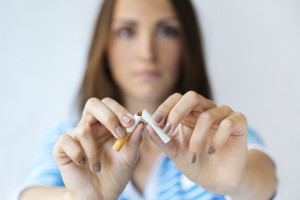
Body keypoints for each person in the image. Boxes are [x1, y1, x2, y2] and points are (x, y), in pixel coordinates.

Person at [17, 0, 277, 199]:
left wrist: (238, 183)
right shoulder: (70, 141)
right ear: (104, 44)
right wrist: (77, 197)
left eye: (166, 31)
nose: (147, 52)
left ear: (187, 44)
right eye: (127, 31)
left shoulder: (222, 136)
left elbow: (263, 178)